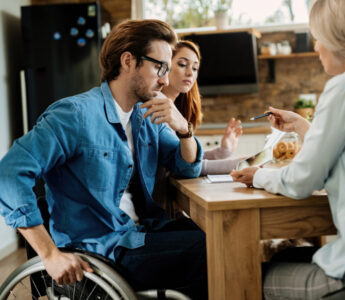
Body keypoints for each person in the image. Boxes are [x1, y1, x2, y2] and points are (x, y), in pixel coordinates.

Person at [0, 19, 207, 299]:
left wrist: (184, 129)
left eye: (167, 70)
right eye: (159, 67)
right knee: (211, 252)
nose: (164, 78)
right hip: (102, 250)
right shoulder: (75, 115)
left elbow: (186, 169)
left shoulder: (146, 117)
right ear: (128, 61)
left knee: (216, 236)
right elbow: (9, 174)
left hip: (140, 233)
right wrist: (49, 254)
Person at [231, 0, 345, 299]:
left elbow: (302, 181)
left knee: (244, 276)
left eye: (319, 37)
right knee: (287, 257)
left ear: (342, 39)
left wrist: (257, 175)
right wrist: (302, 126)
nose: (316, 47)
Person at [161, 40, 244, 175]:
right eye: (182, 64)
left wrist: (222, 152)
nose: (190, 73)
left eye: (195, 68)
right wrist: (240, 164)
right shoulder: (158, 109)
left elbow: (186, 158)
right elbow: (184, 167)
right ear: (164, 65)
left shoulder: (174, 110)